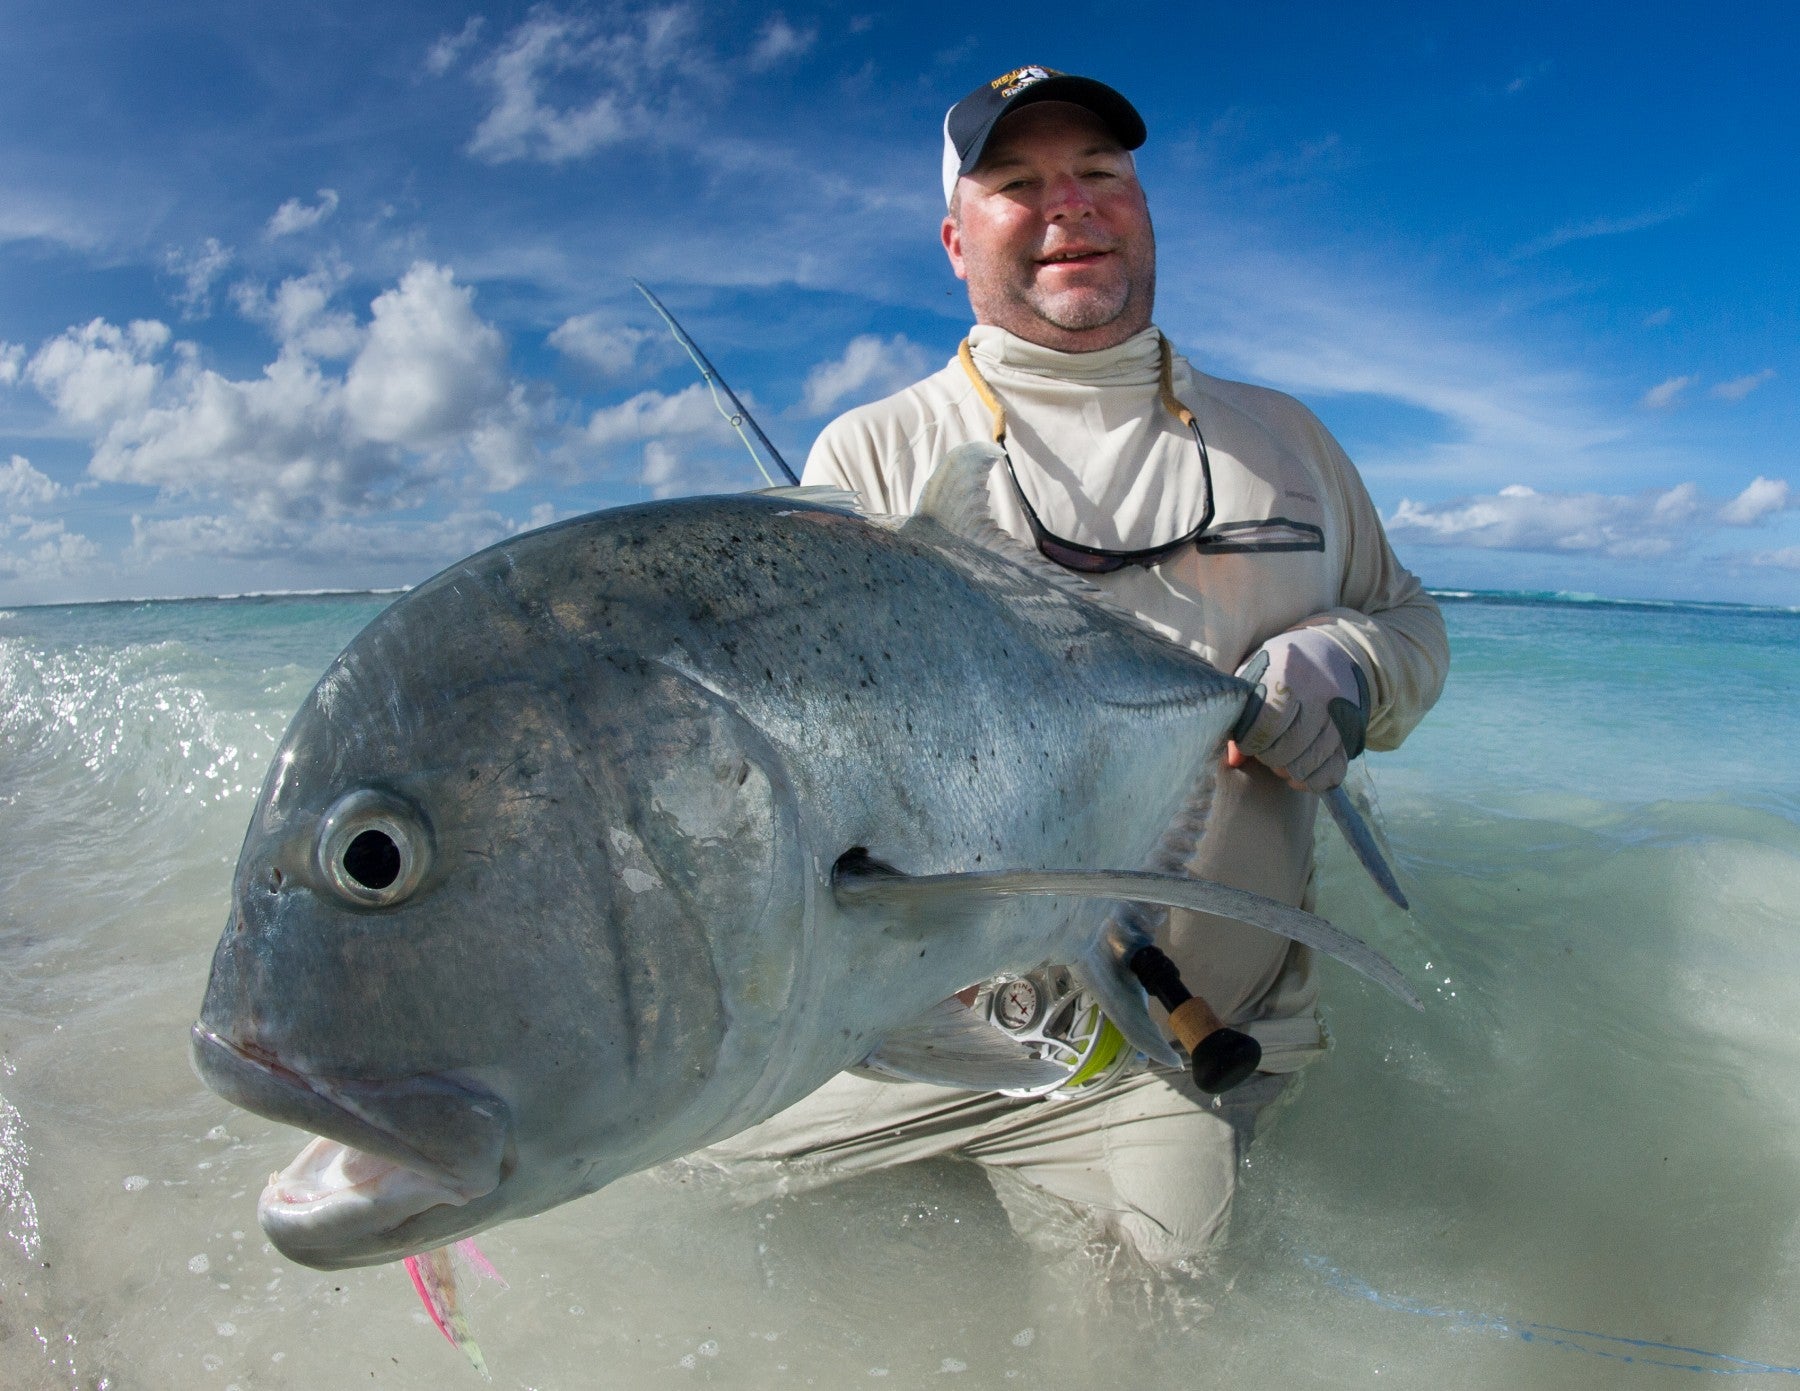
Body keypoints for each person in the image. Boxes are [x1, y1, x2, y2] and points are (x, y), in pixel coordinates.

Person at [703, 66, 1448, 1269]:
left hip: (1180, 1036)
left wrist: (1348, 668)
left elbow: (1408, 617)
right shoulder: (870, 455)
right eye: (1020, 183)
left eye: (1102, 175)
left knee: (1150, 1319)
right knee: (652, 1211)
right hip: (900, 1030)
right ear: (957, 239)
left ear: (1144, 207)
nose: (1072, 205)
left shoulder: (1289, 441)